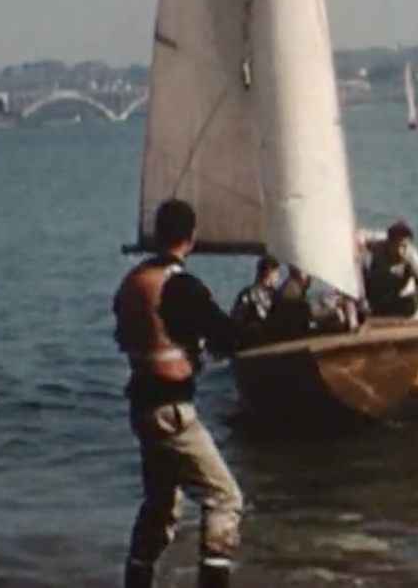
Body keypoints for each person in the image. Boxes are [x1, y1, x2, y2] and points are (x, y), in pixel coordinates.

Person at [112, 198, 244, 588]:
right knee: (224, 499)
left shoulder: (131, 284)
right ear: (191, 238)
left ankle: (136, 580)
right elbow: (226, 336)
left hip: (142, 411)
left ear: (156, 236)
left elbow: (130, 336)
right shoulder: (180, 285)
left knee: (162, 508)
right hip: (173, 412)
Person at [360, 220, 418, 320]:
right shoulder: (378, 243)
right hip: (374, 295)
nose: (400, 251)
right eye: (396, 246)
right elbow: (360, 236)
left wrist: (415, 320)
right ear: (388, 242)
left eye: (404, 246)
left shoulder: (414, 261)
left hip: (399, 300)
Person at [229, 255, 280, 344]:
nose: (278, 277)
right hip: (254, 338)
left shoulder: (275, 295)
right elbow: (236, 318)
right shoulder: (249, 294)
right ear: (270, 274)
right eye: (276, 273)